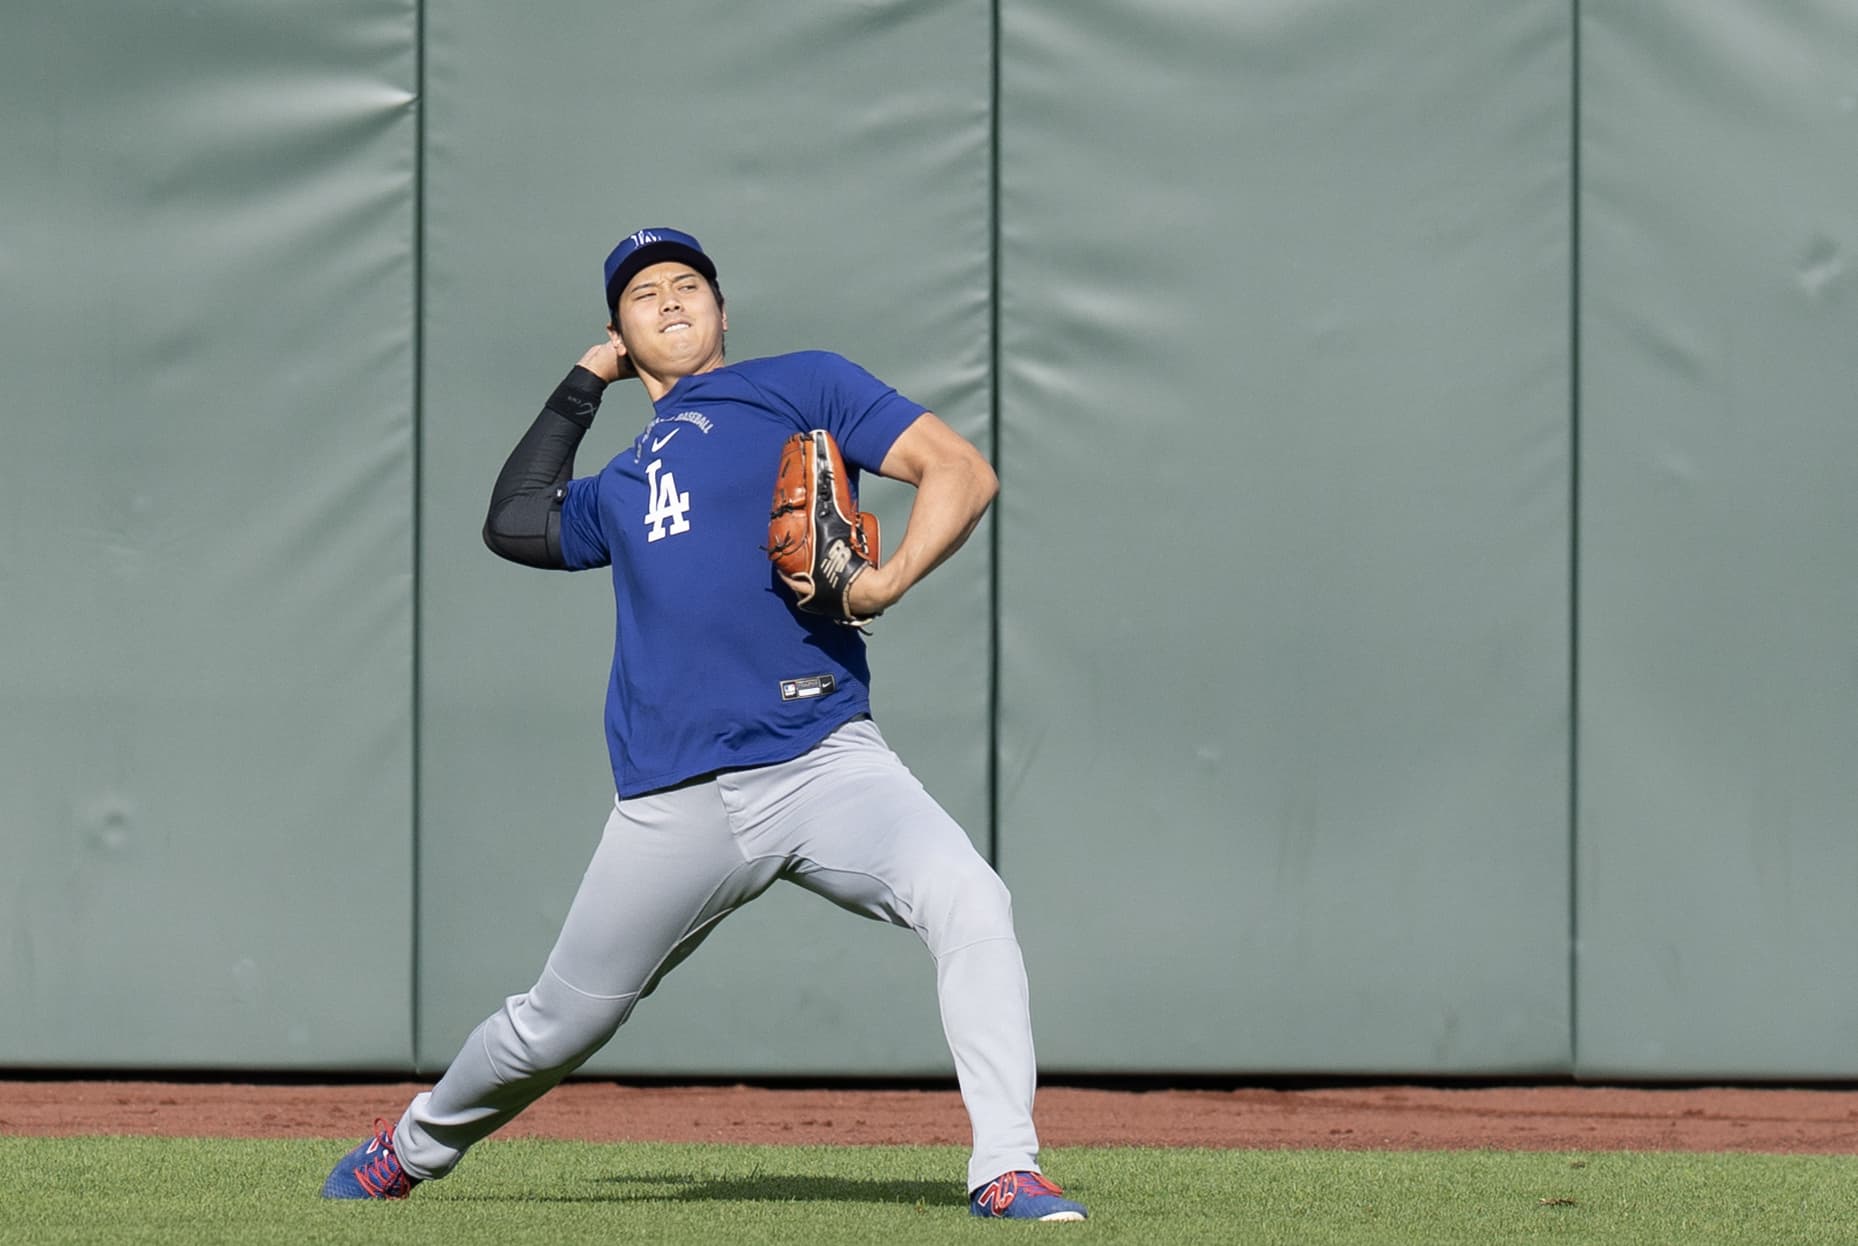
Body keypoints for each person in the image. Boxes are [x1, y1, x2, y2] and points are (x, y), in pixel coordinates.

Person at [320, 227, 1087, 1222]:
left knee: (972, 900)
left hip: (825, 763)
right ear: (619, 333)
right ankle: (410, 1145)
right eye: (644, 295)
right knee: (554, 1026)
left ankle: (1004, 1166)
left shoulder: (799, 384)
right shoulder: (625, 480)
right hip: (672, 799)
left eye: (690, 285)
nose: (672, 300)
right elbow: (514, 519)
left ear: (725, 313)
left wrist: (884, 581)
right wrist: (583, 382)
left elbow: (960, 472)